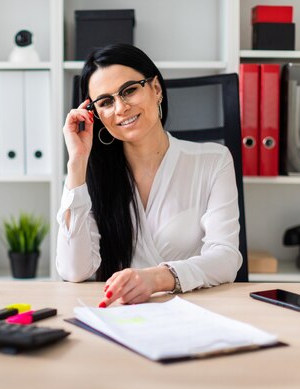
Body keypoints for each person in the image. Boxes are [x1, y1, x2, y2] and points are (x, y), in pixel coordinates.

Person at [56, 44, 242, 307]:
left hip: (193, 313)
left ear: (156, 89)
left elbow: (226, 259)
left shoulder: (214, 160)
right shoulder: (91, 175)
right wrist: (76, 163)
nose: (120, 108)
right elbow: (74, 271)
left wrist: (155, 279)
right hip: (118, 317)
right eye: (106, 102)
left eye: (129, 90)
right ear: (95, 115)